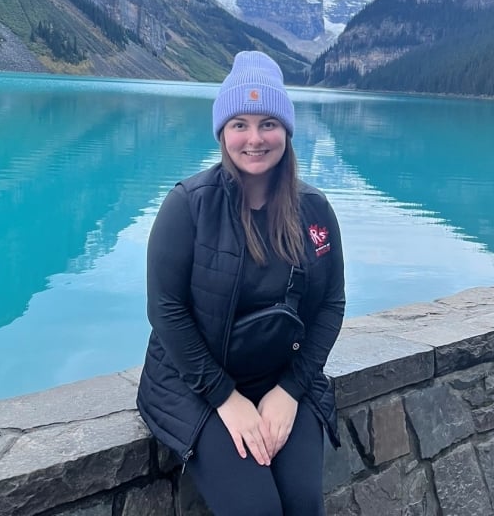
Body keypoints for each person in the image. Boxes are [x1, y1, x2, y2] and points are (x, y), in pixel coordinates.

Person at [137, 50, 345, 515]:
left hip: (280, 377)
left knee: (303, 502)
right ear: (223, 132)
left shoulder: (314, 211)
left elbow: (331, 304)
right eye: (240, 124)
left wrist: (290, 390)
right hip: (193, 383)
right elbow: (165, 309)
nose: (254, 138)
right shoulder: (188, 205)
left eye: (268, 123)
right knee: (257, 509)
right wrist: (224, 397)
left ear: (287, 131)